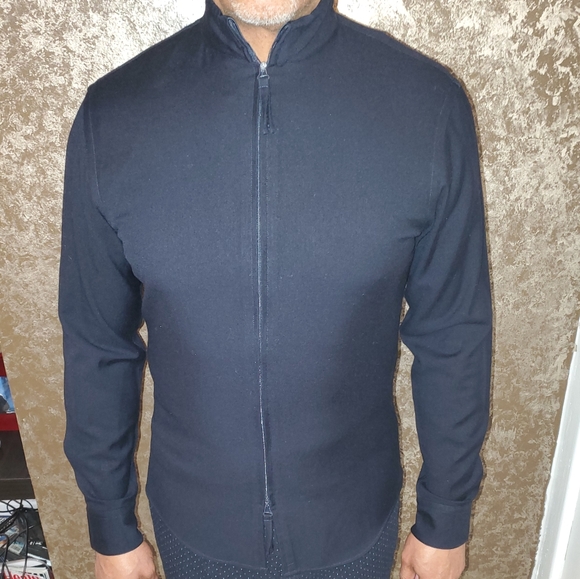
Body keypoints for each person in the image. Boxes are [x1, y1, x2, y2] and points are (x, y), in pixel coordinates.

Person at [58, 0, 492, 578]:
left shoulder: (427, 105)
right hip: (194, 531)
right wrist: (110, 523)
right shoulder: (113, 114)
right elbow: (96, 340)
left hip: (354, 529)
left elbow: (453, 331)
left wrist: (446, 515)